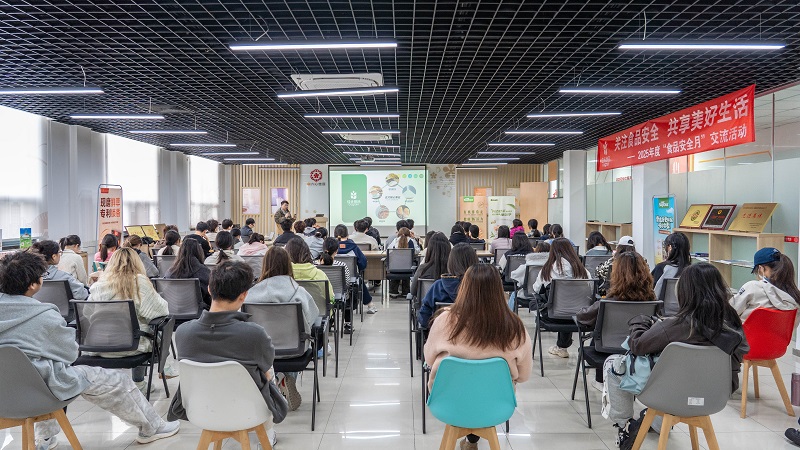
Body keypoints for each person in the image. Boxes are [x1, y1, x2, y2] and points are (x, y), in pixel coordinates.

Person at [0, 251, 180, 449]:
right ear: (33, 285)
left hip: (5, 396)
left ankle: (45, 438)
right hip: (42, 390)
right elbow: (70, 354)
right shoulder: (44, 315)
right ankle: (152, 428)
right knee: (116, 380)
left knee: (42, 373)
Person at [606, 263, 748, 449]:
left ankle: (624, 425)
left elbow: (638, 345)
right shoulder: (734, 325)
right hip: (714, 397)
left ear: (685, 292)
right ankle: (656, 422)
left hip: (668, 396)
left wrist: (639, 323)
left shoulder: (677, 325)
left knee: (614, 364)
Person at [169, 261, 282, 447]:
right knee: (268, 371)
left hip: (201, 411)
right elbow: (266, 368)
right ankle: (269, 432)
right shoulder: (254, 334)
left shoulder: (183, 333)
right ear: (243, 295)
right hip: (249, 411)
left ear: (209, 289)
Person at [424, 263, 532, 450]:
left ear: (464, 287)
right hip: (495, 405)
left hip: (449, 403)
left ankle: (469, 441)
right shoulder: (515, 327)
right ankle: (472, 441)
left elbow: (429, 359)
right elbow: (524, 376)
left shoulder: (444, 320)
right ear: (498, 290)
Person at [246, 247, 319, 412]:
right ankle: (286, 377)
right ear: (288, 264)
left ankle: (274, 380)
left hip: (260, 352)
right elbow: (312, 318)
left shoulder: (250, 295)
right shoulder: (299, 292)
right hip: (294, 350)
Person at [87, 248, 169, 392]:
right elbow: (160, 311)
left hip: (98, 346)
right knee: (154, 327)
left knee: (139, 326)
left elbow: (86, 314)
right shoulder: (139, 282)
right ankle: (141, 381)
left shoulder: (98, 285)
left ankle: (112, 384)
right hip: (132, 347)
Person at [577, 251, 655, 390]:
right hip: (639, 350)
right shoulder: (653, 302)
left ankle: (599, 380)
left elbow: (583, 317)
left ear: (617, 274)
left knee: (598, 331)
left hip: (605, 349)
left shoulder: (608, 302)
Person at [532, 237, 591, 359]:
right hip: (579, 316)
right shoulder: (583, 271)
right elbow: (590, 290)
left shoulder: (548, 270)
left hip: (553, 316)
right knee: (569, 304)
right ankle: (562, 347)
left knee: (550, 303)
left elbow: (536, 289)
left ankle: (561, 347)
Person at [417, 243, 479, 328]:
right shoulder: (481, 287)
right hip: (474, 334)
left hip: (441, 334)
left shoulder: (438, 287)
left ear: (451, 263)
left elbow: (424, 318)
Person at [730, 247, 800, 320]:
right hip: (779, 328)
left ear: (761, 268)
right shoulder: (795, 296)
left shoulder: (752, 287)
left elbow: (730, 312)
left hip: (746, 327)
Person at [332, 224, 376, 318]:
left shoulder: (331, 247)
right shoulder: (353, 247)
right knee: (359, 279)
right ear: (347, 234)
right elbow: (363, 263)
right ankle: (370, 305)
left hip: (332, 278)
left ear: (335, 234)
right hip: (351, 279)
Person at [285, 236, 336, 302]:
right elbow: (331, 299)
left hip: (291, 309)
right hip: (318, 308)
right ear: (307, 253)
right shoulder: (320, 275)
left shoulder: (283, 278)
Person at [165, 239, 211, 308]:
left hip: (173, 309)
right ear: (199, 252)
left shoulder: (170, 272)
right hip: (199, 310)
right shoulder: (204, 271)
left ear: (180, 252)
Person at [509, 241, 551, 308]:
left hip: (527, 295)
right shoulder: (553, 266)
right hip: (547, 297)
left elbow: (514, 276)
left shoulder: (528, 264)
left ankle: (509, 314)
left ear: (536, 251)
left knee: (514, 294)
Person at [651, 232, 691, 298]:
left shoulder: (661, 268)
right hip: (686, 304)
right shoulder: (693, 270)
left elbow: (650, 291)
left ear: (670, 247)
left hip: (662, 304)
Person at [388, 227, 419, 298]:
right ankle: (406, 291)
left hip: (394, 267)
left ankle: (393, 292)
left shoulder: (395, 241)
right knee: (409, 264)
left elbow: (389, 250)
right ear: (409, 234)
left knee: (397, 265)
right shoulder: (412, 241)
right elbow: (417, 251)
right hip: (408, 268)